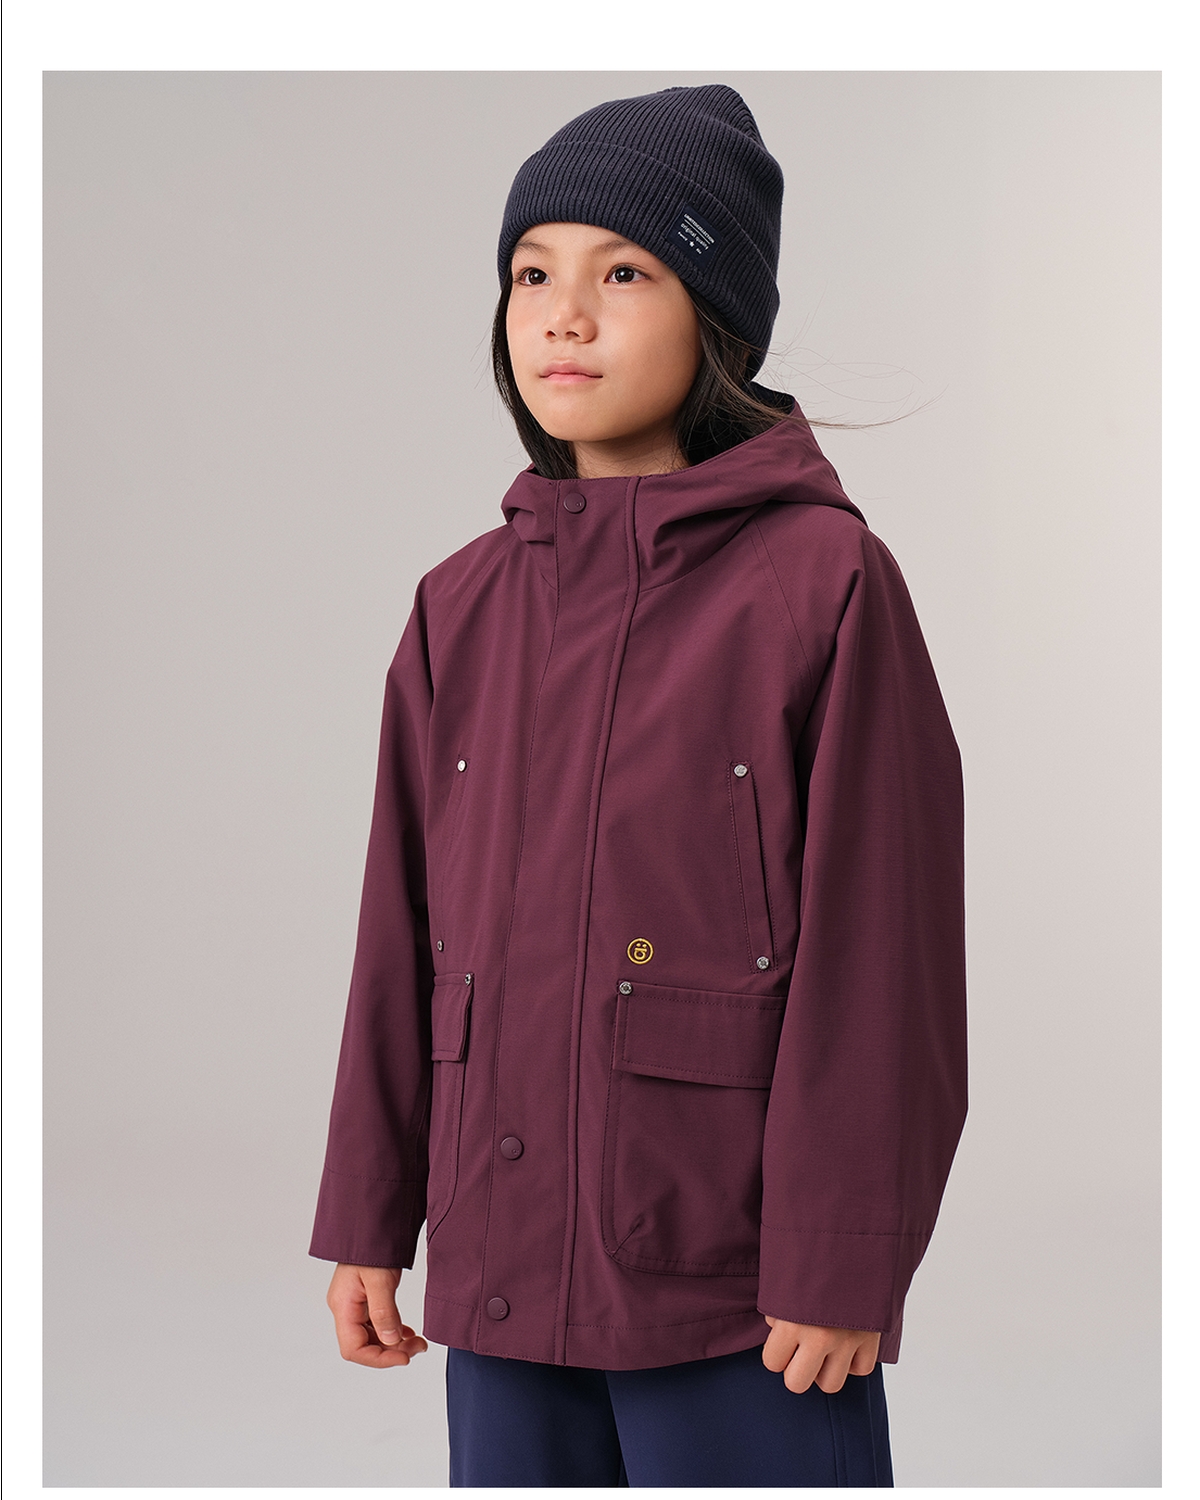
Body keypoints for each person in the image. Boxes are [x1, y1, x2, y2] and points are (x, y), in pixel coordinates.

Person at [310, 83, 968, 1487]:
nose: (564, 315)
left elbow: (883, 956)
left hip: (736, 1283)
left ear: (716, 316)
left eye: (624, 274)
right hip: (497, 1259)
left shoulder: (823, 585)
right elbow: (398, 931)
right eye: (531, 274)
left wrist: (843, 1255)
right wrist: (370, 1211)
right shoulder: (459, 606)